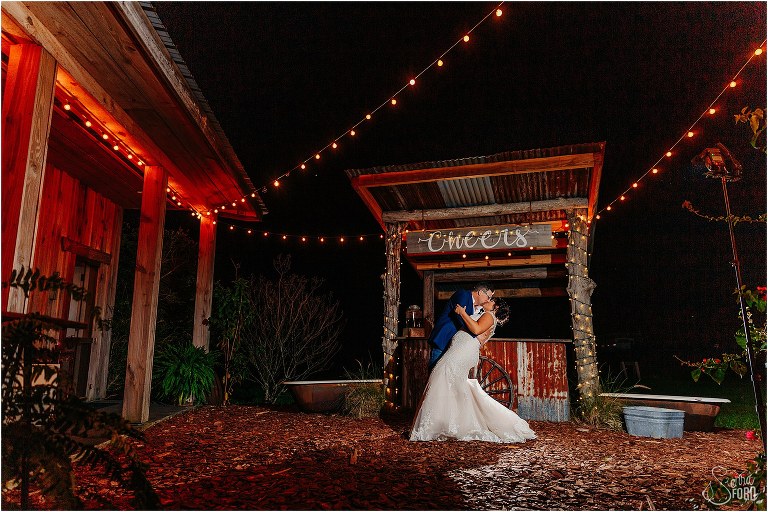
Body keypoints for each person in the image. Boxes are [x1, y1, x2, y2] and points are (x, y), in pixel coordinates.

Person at [410, 297, 537, 443]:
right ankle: (445, 424)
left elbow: (476, 329)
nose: (488, 300)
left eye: (491, 300)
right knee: (451, 384)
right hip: (460, 350)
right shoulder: (486, 315)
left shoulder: (489, 316)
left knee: (440, 374)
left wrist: (462, 313)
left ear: (495, 307)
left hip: (462, 351)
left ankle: (433, 427)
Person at [427, 282, 495, 370]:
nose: (488, 300)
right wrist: (475, 333)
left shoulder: (480, 309)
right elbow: (460, 317)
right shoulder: (463, 294)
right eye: (488, 297)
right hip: (444, 340)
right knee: (435, 371)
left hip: (456, 346)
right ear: (480, 292)